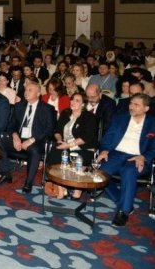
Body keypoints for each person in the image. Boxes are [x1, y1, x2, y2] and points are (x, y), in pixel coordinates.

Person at [97, 93, 155, 227]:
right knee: (100, 173)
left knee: (129, 172)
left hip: (138, 157)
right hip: (117, 154)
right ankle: (122, 201)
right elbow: (108, 137)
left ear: (146, 108)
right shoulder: (120, 117)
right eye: (131, 103)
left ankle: (123, 211)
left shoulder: (153, 123)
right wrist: (104, 150)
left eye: (136, 105)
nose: (131, 107)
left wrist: (144, 157)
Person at [0, 83, 56, 193]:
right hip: (19, 138)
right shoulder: (19, 106)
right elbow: (11, 125)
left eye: (30, 90)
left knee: (34, 149)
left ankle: (28, 182)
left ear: (38, 93)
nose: (26, 92)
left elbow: (50, 130)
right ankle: (5, 173)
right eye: (26, 90)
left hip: (37, 140)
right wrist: (15, 137)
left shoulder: (47, 109)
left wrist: (31, 140)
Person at [45, 93, 99, 199]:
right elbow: (57, 131)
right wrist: (60, 140)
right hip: (66, 146)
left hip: (84, 148)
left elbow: (86, 137)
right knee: (55, 151)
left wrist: (69, 145)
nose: (73, 102)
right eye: (72, 99)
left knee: (66, 155)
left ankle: (72, 188)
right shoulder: (65, 113)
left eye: (77, 100)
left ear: (83, 104)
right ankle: (61, 186)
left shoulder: (89, 117)